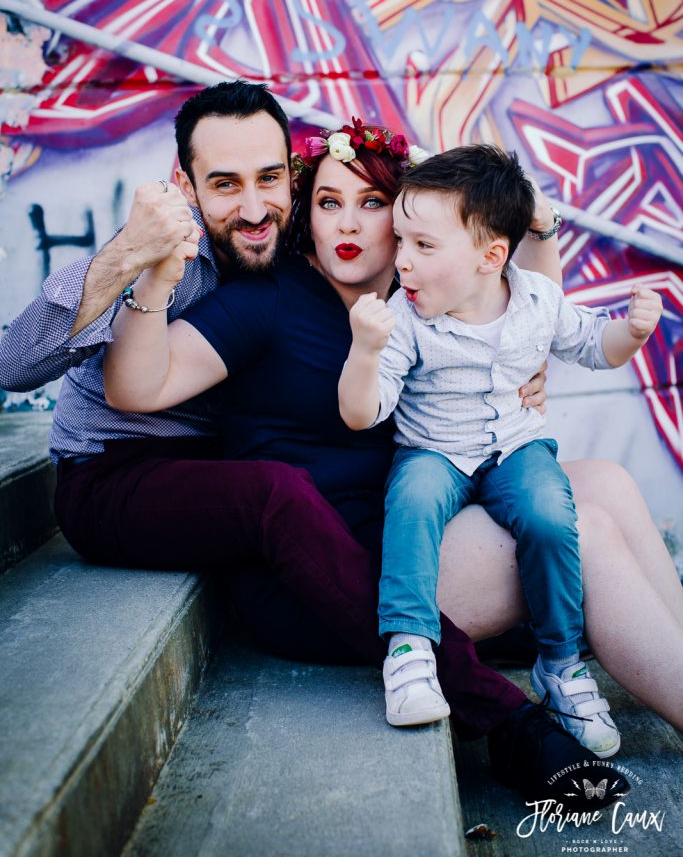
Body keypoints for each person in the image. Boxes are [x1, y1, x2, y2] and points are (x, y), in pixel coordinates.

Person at [0, 83, 665, 807]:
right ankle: (507, 713)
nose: (254, 208)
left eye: (270, 181)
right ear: (184, 185)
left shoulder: (407, 299)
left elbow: (520, 306)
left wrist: (533, 259)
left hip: (316, 509)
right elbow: (73, 375)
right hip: (150, 484)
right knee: (580, 532)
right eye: (225, 185)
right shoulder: (226, 282)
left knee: (603, 483)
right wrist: (140, 261)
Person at [338, 144, 662, 756]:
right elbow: (363, 413)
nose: (401, 261)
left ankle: (561, 663)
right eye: (401, 241)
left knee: (550, 514)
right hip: (433, 449)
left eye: (423, 247)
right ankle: (408, 648)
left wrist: (633, 332)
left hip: (517, 445)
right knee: (412, 500)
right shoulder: (403, 319)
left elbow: (596, 346)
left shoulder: (538, 300)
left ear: (491, 257)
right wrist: (365, 351)